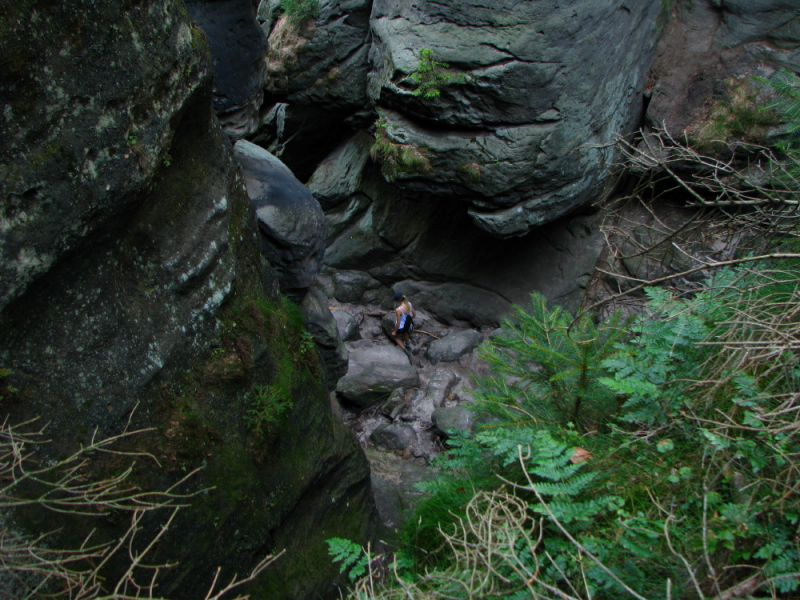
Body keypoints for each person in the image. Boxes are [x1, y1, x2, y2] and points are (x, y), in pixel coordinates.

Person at [391, 291, 416, 357]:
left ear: (398, 301)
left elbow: (398, 322)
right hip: (408, 324)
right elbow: (414, 314)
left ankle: (404, 349)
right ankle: (407, 344)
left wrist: (394, 331)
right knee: (405, 332)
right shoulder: (409, 304)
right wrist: (410, 318)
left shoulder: (398, 310)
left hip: (401, 326)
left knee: (394, 336)